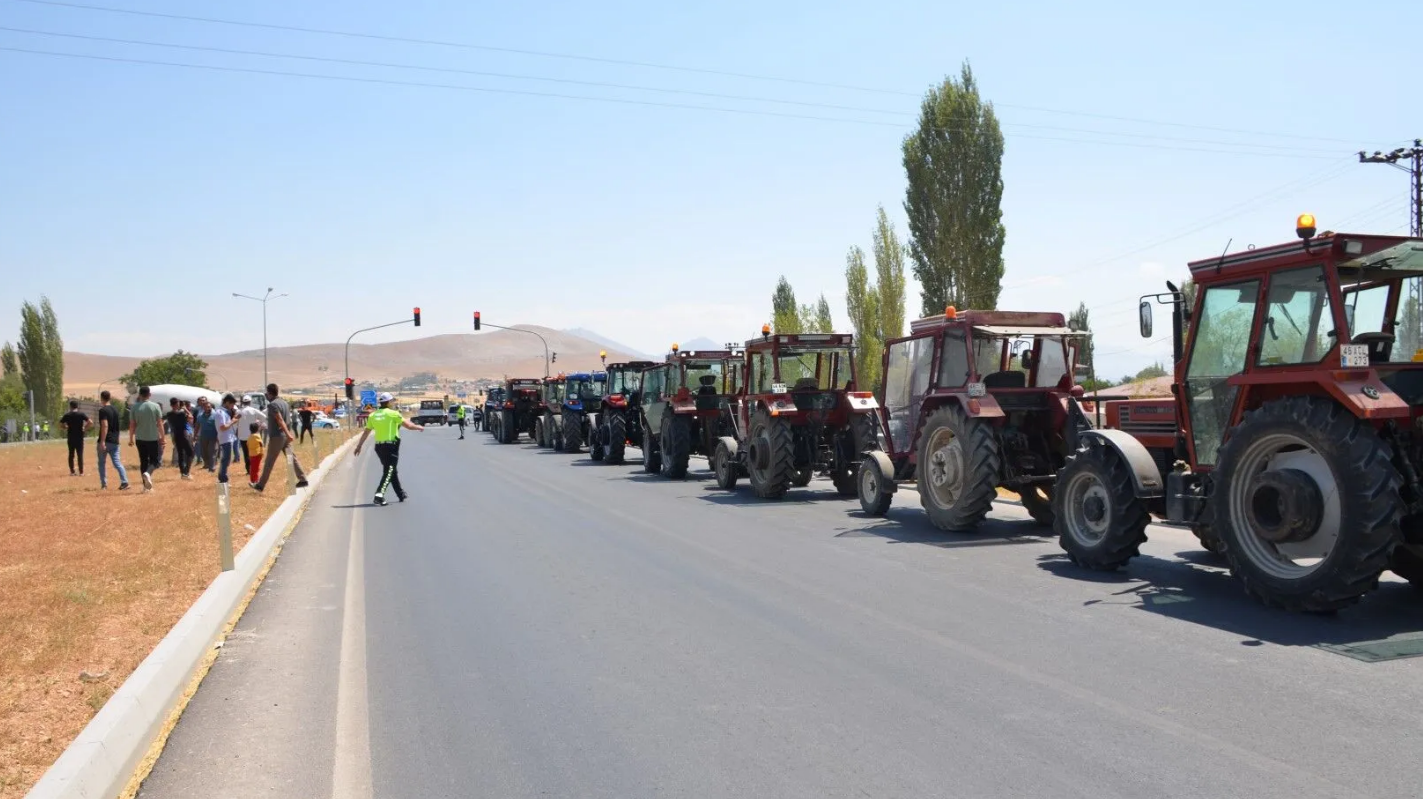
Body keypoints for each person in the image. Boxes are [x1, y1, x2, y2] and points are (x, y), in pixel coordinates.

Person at [354, 392, 423, 506]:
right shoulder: (393, 414)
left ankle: (400, 494)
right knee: (389, 471)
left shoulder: (373, 415)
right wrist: (419, 427)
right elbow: (409, 426)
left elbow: (366, 432)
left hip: (379, 447)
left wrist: (359, 446)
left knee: (391, 470)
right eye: (392, 401)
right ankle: (379, 495)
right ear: (389, 402)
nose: (393, 403)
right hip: (391, 446)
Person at [253, 383, 309, 492]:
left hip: (277, 437)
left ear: (270, 393)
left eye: (266, 393)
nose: (266, 395)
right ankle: (303, 479)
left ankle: (260, 485)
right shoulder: (285, 403)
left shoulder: (273, 405)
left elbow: (279, 420)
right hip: (285, 436)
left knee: (269, 462)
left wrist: (288, 433)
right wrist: (288, 434)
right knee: (292, 457)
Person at [128, 386, 164, 492]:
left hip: (140, 438)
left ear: (140, 395)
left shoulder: (134, 407)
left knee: (143, 461)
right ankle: (148, 473)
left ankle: (145, 487)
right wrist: (162, 437)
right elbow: (160, 423)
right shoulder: (155, 406)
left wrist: (130, 438)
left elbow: (132, 425)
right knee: (155, 461)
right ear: (149, 394)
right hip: (152, 438)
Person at [96, 390, 129, 490]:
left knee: (102, 463)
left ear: (101, 398)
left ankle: (104, 485)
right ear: (110, 398)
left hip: (106, 440)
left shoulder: (103, 411)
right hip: (115, 441)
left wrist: (102, 441)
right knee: (117, 463)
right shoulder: (115, 410)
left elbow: (105, 425)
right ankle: (125, 481)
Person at [214, 394, 242, 484]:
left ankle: (223, 477)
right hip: (225, 438)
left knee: (226, 459)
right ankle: (223, 479)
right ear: (227, 402)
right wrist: (233, 421)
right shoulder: (220, 413)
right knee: (225, 459)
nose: (232, 407)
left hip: (228, 438)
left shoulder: (225, 412)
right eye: (232, 404)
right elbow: (223, 427)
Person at [60, 400, 92, 476]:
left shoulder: (67, 415)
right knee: (80, 455)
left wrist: (66, 427)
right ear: (77, 406)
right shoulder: (81, 414)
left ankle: (72, 472)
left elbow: (60, 424)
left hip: (71, 437)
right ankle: (81, 472)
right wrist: (85, 427)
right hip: (79, 437)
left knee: (71, 455)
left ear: (70, 406)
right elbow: (90, 422)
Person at [165, 398, 194, 480]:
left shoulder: (169, 414)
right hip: (184, 434)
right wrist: (185, 409)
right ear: (177, 404)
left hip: (175, 434)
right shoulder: (182, 413)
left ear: (171, 405)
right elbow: (191, 418)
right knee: (190, 453)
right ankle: (186, 472)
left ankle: (182, 473)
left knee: (180, 454)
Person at [237, 397, 265, 472]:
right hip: (253, 435)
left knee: (246, 453)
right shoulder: (254, 410)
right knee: (254, 452)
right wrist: (259, 425)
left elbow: (235, 423)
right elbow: (264, 417)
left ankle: (248, 469)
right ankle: (254, 468)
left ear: (243, 402)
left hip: (242, 436)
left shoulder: (239, 411)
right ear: (250, 402)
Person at [195, 397, 218, 472]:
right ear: (203, 407)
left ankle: (212, 467)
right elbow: (197, 425)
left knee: (212, 452)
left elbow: (218, 426)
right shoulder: (200, 416)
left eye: (209, 407)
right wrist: (195, 435)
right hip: (203, 436)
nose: (207, 408)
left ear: (211, 407)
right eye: (206, 407)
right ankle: (207, 464)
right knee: (203, 452)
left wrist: (219, 436)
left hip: (213, 437)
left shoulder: (215, 415)